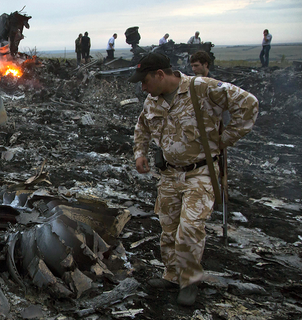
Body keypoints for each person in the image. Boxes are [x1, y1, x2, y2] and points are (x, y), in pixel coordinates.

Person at [128, 53, 258, 306]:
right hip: (169, 174)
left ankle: (189, 282)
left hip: (200, 172)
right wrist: (140, 153)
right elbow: (142, 126)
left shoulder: (202, 88)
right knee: (168, 227)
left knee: (189, 229)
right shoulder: (152, 100)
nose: (143, 87)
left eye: (145, 81)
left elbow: (249, 104)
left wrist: (225, 139)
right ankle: (172, 275)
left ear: (160, 75)